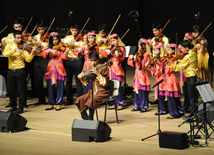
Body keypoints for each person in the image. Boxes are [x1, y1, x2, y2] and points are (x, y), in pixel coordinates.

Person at [3, 30, 36, 114]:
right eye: (18, 38)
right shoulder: (10, 45)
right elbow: (5, 54)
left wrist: (32, 52)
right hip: (10, 70)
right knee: (11, 90)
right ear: (14, 38)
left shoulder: (24, 47)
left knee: (21, 90)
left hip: (20, 70)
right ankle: (13, 107)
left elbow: (28, 59)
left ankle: (21, 108)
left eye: (21, 37)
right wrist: (15, 51)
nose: (20, 39)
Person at [165, 40, 197, 118]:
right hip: (190, 77)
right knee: (191, 97)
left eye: (182, 48)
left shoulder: (189, 55)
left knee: (192, 98)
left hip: (191, 78)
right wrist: (177, 59)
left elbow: (177, 68)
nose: (180, 50)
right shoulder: (189, 53)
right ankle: (193, 115)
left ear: (186, 48)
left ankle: (193, 116)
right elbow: (183, 60)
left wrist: (168, 63)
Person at [76, 51, 110, 120]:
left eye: (95, 60)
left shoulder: (104, 68)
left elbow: (105, 83)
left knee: (91, 101)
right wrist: (81, 77)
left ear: (98, 59)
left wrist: (98, 74)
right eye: (91, 61)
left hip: (103, 92)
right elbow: (87, 79)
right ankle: (85, 118)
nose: (93, 62)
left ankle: (90, 119)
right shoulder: (90, 67)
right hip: (93, 92)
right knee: (80, 99)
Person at [41, 32, 69, 111]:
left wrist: (66, 52)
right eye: (53, 40)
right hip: (50, 68)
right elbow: (43, 55)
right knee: (50, 86)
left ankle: (59, 103)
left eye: (56, 40)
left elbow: (64, 57)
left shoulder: (61, 47)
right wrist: (48, 51)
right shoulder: (47, 47)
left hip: (59, 67)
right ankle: (51, 102)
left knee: (60, 86)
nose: (55, 42)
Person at [100, 33, 126, 110]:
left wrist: (118, 54)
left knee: (118, 86)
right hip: (110, 68)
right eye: (111, 41)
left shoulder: (120, 48)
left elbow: (122, 56)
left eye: (114, 40)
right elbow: (102, 53)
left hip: (117, 68)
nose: (112, 42)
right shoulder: (109, 47)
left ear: (117, 41)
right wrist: (106, 50)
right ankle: (112, 103)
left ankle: (120, 103)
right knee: (111, 86)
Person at [61, 23, 85, 105]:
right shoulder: (67, 38)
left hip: (78, 61)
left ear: (78, 31)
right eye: (73, 30)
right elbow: (61, 45)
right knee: (68, 82)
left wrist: (75, 44)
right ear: (70, 30)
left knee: (79, 82)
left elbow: (83, 48)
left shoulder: (81, 39)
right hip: (68, 61)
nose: (74, 32)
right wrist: (68, 45)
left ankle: (78, 100)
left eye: (76, 31)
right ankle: (69, 100)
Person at [128, 38, 151, 113]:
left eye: (139, 44)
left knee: (142, 91)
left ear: (143, 45)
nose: (138, 46)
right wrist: (132, 59)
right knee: (136, 90)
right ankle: (137, 105)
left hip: (143, 73)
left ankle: (143, 106)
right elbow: (133, 64)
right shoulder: (138, 52)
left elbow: (145, 64)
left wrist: (138, 59)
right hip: (137, 74)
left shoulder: (146, 54)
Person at [31, 19, 49, 105]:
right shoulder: (34, 37)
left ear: (45, 28)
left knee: (48, 79)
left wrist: (42, 45)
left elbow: (50, 47)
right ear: (36, 28)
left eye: (42, 29)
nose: (41, 31)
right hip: (37, 59)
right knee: (38, 80)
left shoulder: (48, 37)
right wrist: (32, 43)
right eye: (39, 29)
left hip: (45, 59)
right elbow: (30, 47)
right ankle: (41, 99)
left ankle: (51, 99)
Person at [146, 43, 167, 115]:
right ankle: (161, 108)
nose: (154, 52)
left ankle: (163, 109)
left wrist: (158, 64)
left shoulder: (163, 59)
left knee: (162, 94)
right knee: (160, 94)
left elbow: (161, 70)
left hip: (162, 79)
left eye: (156, 50)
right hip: (158, 78)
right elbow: (154, 70)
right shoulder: (156, 59)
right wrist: (149, 67)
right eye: (153, 50)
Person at [164, 43, 184, 119]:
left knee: (171, 97)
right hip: (172, 79)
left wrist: (167, 63)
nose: (168, 51)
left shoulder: (173, 59)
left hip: (171, 79)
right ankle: (179, 111)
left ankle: (174, 113)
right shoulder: (170, 58)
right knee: (175, 97)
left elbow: (170, 69)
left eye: (169, 50)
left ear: (173, 50)